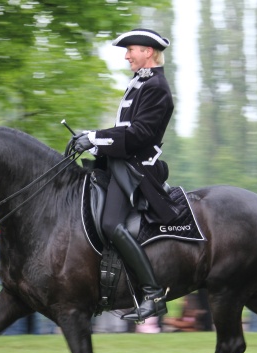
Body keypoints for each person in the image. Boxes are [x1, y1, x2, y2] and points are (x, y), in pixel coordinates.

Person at [73, 28, 185, 322]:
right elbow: (123, 131)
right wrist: (89, 138)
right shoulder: (139, 83)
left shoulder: (157, 87)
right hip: (120, 163)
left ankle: (153, 293)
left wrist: (95, 137)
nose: (127, 56)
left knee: (110, 223)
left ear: (148, 52)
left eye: (131, 50)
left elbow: (139, 135)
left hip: (138, 169)